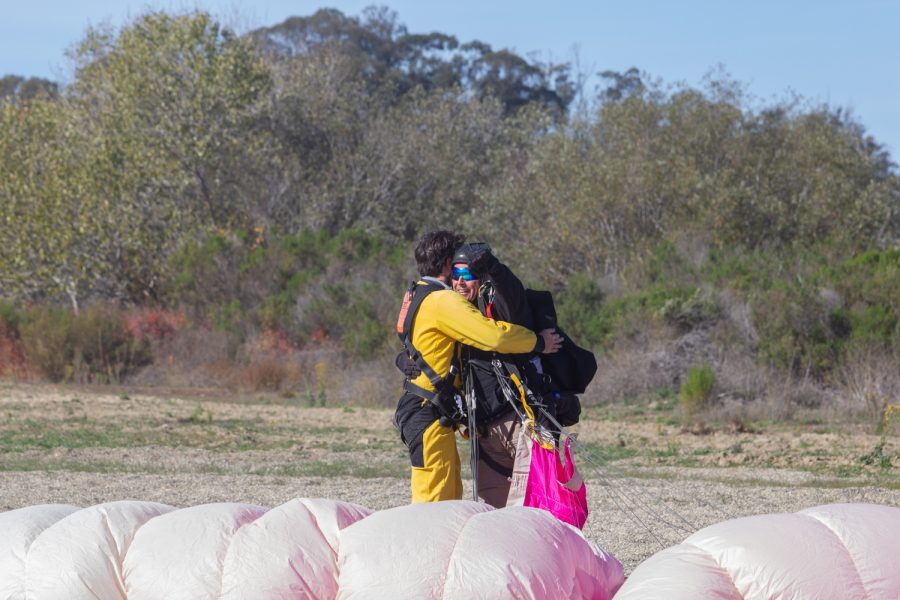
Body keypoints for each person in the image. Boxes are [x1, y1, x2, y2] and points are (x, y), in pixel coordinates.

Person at [393, 230, 563, 503]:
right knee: (435, 502)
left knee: (446, 497)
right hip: (428, 413)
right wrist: (537, 342)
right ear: (448, 264)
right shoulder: (443, 300)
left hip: (426, 412)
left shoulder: (416, 294)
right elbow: (493, 335)